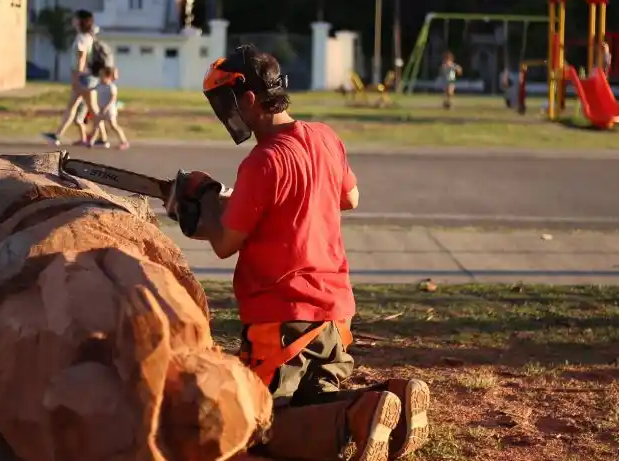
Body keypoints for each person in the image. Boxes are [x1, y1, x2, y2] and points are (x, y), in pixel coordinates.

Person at [165, 45, 430, 461]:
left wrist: (204, 207)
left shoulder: (262, 162)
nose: (226, 114)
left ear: (248, 99)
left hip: (282, 317)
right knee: (313, 401)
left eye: (227, 103)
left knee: (256, 424)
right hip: (334, 313)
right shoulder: (324, 137)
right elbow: (350, 198)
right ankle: (388, 399)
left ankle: (359, 417)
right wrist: (258, 205)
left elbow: (225, 244)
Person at [43, 10, 105, 147]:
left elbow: (81, 57)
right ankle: (59, 135)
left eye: (75, 18)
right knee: (84, 108)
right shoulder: (88, 37)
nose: (73, 20)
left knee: (80, 108)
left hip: (83, 78)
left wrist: (77, 76)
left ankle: (58, 136)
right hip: (88, 77)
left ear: (81, 21)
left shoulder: (82, 37)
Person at [88, 66, 129, 150]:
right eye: (99, 75)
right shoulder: (99, 85)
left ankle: (124, 142)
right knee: (96, 124)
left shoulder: (111, 86)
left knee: (113, 126)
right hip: (101, 109)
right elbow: (91, 89)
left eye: (102, 75)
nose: (100, 77)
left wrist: (106, 107)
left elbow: (113, 98)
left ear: (108, 76)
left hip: (110, 110)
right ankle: (91, 141)